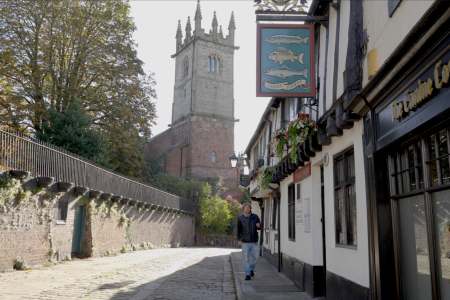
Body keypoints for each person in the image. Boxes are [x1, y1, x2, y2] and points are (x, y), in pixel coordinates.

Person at [237, 202, 261, 281]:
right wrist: (239, 239)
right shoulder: (240, 218)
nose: (248, 209)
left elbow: (259, 227)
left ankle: (251, 269)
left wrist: (259, 226)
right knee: (246, 259)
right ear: (243, 209)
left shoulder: (255, 217)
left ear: (250, 209)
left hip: (254, 241)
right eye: (246, 208)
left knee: (255, 258)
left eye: (249, 208)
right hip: (245, 242)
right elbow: (239, 230)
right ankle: (247, 274)